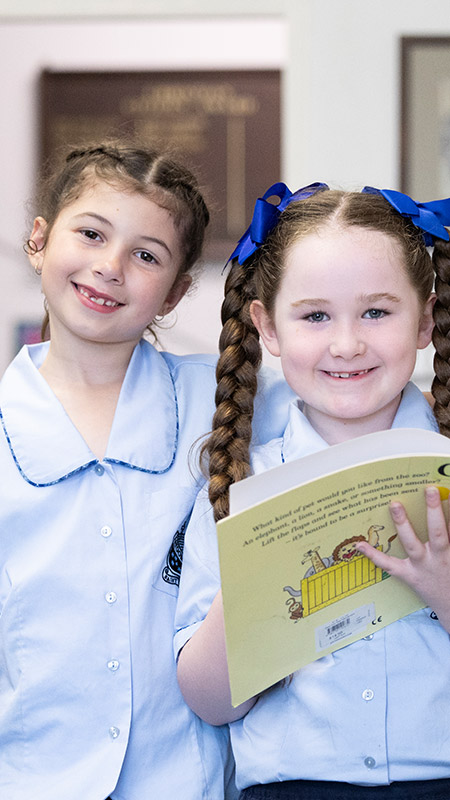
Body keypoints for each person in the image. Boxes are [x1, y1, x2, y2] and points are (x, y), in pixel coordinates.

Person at [0, 144, 294, 800]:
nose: (110, 267)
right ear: (39, 240)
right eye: (91, 234)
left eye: (146, 255)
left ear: (175, 292)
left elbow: (353, 406)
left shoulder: (234, 403)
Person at [175, 181, 450, 799]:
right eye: (315, 315)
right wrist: (251, 595)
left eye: (377, 312)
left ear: (426, 318)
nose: (347, 344)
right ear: (267, 327)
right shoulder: (238, 486)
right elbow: (209, 703)